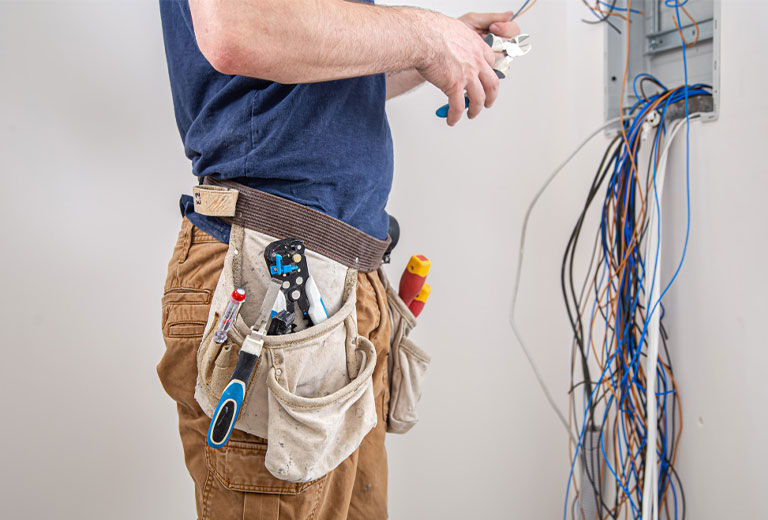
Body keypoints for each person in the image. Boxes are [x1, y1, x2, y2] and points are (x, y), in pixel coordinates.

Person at [157, 1, 520, 518]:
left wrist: (435, 50)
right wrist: (427, 36)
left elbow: (319, 79)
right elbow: (234, 32)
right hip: (263, 277)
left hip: (344, 281)